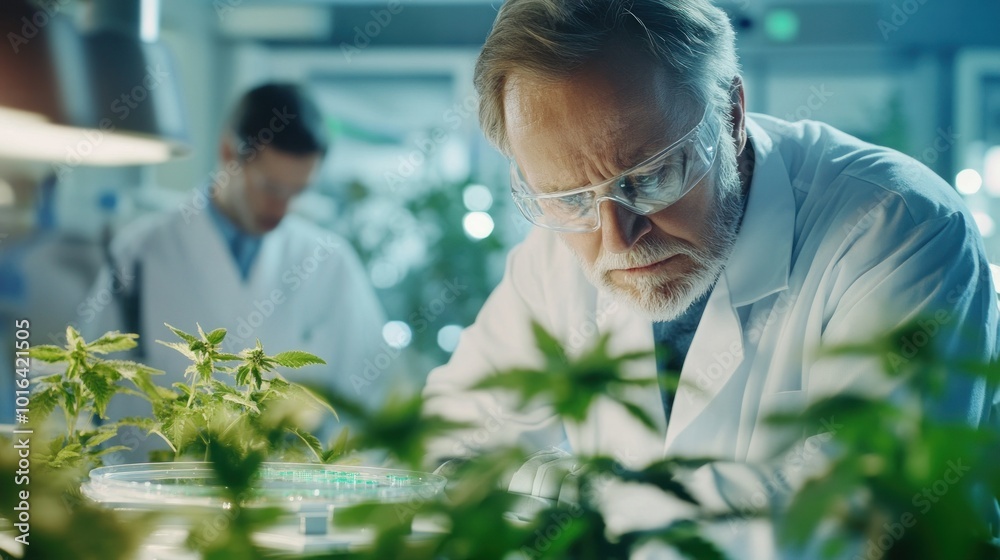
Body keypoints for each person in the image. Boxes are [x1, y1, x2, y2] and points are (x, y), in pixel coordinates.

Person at [422, 0, 998, 553]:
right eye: (570, 198)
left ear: (731, 114)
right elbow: (448, 443)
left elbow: (858, 516)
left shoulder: (894, 223)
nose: (618, 237)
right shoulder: (558, 245)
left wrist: (562, 492)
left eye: (649, 176)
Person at [85, 83, 392, 458]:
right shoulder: (140, 254)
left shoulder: (329, 262)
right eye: (270, 188)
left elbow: (369, 401)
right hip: (158, 500)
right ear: (228, 152)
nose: (280, 209)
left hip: (288, 502)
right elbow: (92, 399)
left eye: (297, 193)